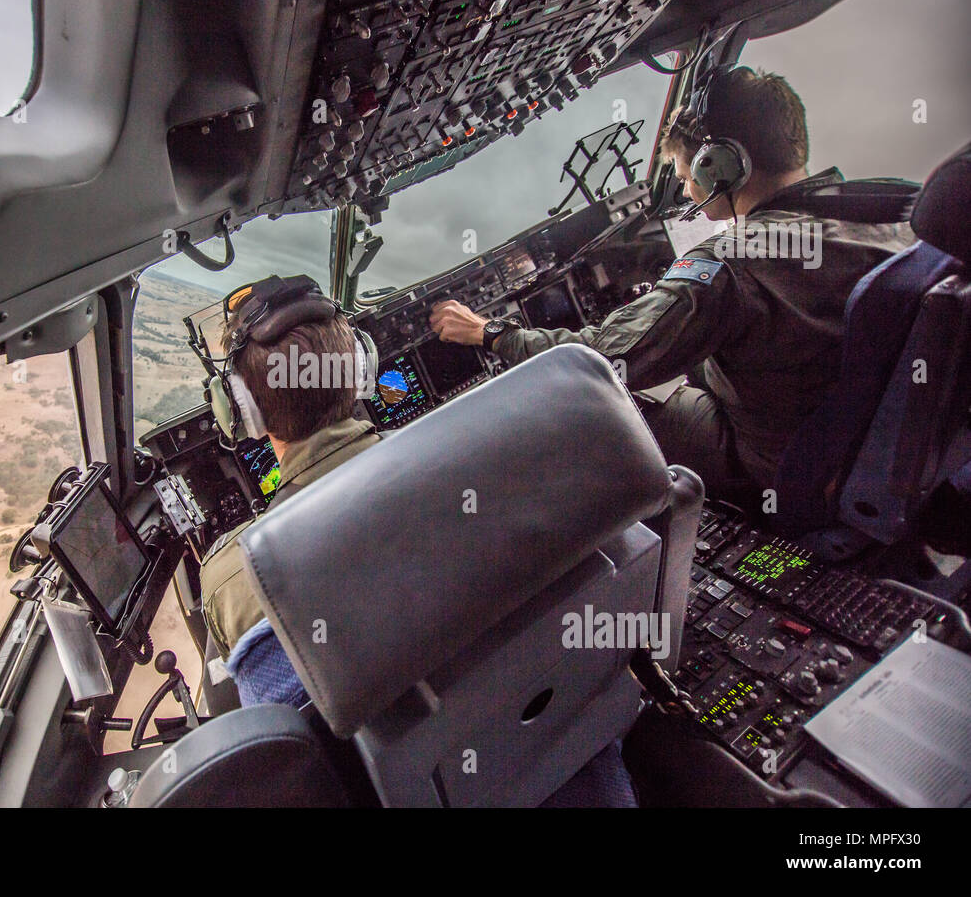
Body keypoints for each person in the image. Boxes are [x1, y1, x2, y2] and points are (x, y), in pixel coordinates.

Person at [198, 273, 637, 806]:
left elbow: (276, 752)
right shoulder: (497, 458)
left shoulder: (235, 579)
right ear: (361, 369)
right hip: (572, 761)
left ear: (239, 407)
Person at [430, 66, 916, 499]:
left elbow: (599, 360)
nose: (686, 189)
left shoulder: (732, 262)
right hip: (886, 442)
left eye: (687, 175)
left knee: (614, 398)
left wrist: (490, 332)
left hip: (788, 463)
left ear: (723, 166)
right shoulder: (894, 213)